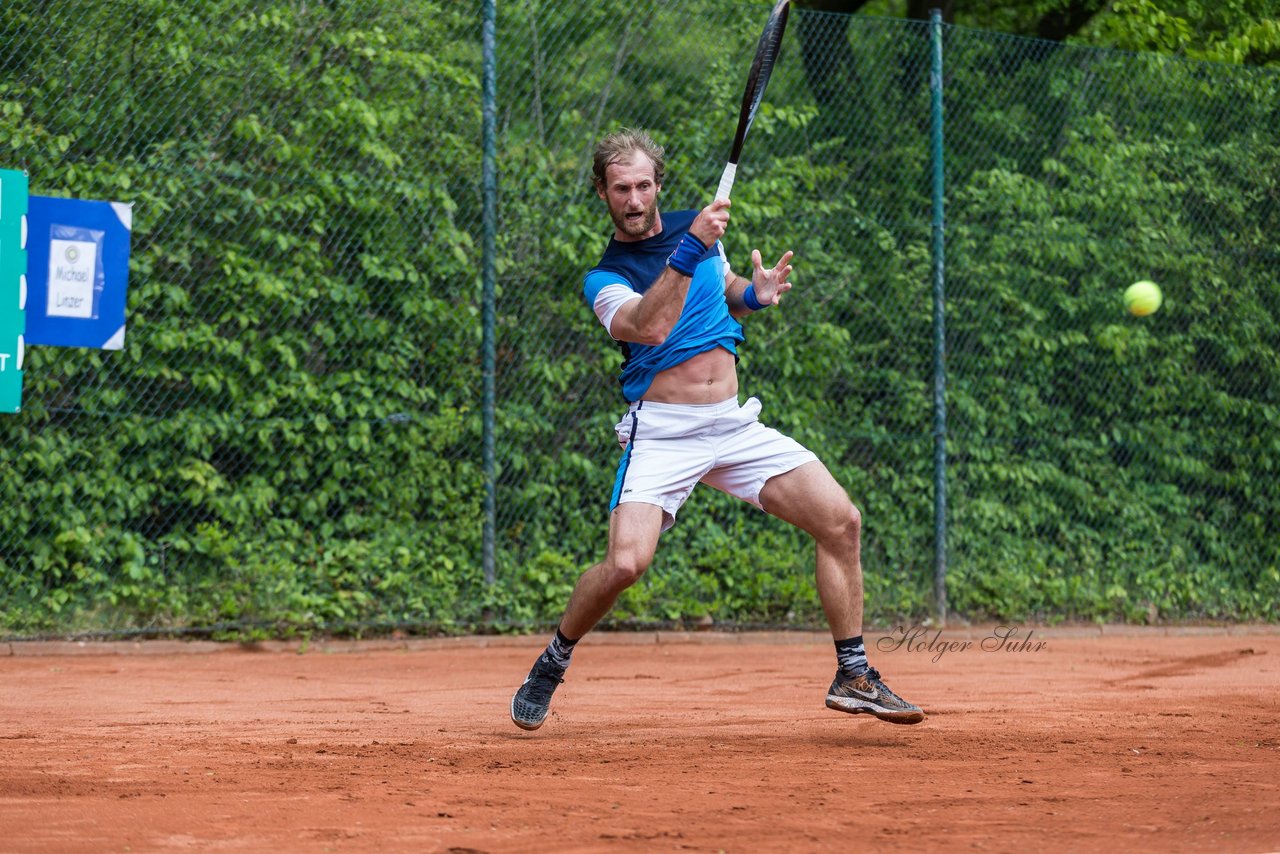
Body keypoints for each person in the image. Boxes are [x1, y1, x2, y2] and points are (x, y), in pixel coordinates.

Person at [510, 128, 923, 730]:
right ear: (601, 191)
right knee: (626, 565)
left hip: (730, 425)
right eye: (620, 187)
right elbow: (648, 326)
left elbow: (721, 294)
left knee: (841, 520)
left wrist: (752, 295)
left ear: (658, 186)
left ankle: (853, 674)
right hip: (663, 432)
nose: (634, 198)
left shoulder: (699, 236)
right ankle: (553, 660)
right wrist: (689, 248)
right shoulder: (605, 278)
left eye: (644, 185)